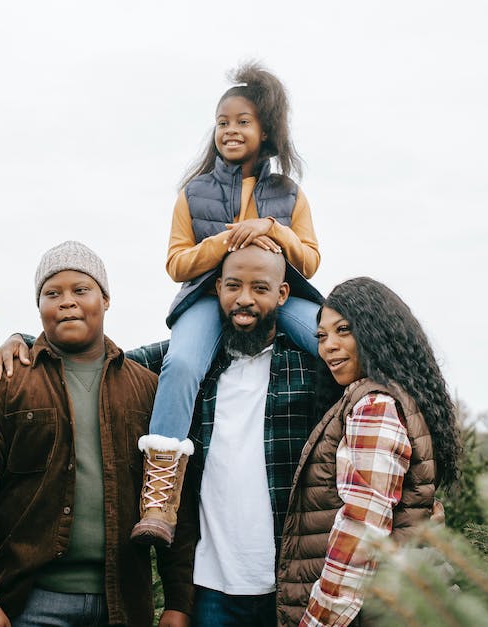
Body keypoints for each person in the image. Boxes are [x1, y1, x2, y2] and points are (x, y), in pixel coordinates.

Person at [0, 245, 321, 626]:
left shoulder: (308, 368)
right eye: (233, 287)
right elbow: (100, 360)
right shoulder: (184, 363)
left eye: (259, 288)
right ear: (216, 291)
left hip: (290, 580)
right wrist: (23, 339)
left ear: (282, 294)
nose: (244, 299)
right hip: (211, 586)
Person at [0, 241, 195, 627]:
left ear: (105, 299)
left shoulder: (147, 389)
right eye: (52, 293)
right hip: (30, 603)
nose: (67, 302)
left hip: (123, 605)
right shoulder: (5, 383)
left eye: (81, 290)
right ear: (39, 306)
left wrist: (179, 602)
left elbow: (175, 497)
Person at [132, 61, 322, 547]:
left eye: (243, 122)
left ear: (267, 131)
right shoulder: (192, 193)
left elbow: (311, 260)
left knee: (333, 339)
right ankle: (159, 497)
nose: (231, 130)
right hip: (205, 296)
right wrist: (224, 243)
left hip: (274, 298)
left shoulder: (289, 194)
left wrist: (272, 229)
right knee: (182, 363)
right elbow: (177, 264)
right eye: (223, 122)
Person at [276, 277, 462, 626]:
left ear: (376, 331)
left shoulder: (373, 406)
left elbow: (361, 531)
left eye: (343, 330)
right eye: (322, 336)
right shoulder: (398, 396)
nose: (328, 346)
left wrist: (319, 620)